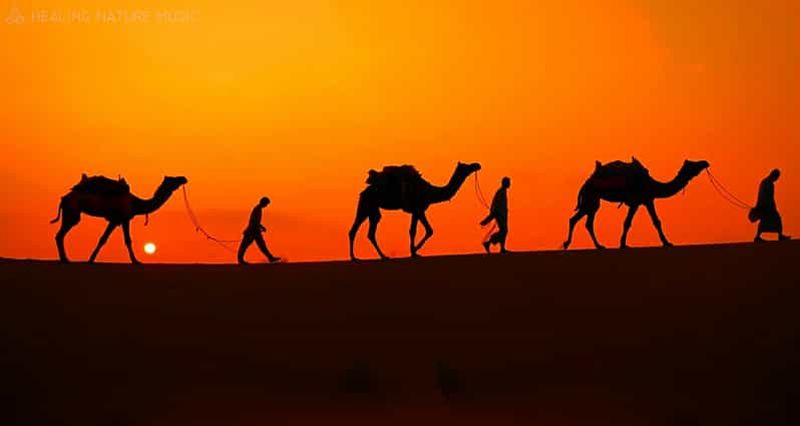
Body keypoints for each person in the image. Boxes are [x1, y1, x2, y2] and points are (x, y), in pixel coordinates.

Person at [237, 197, 281, 264]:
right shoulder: (257, 209)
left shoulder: (258, 209)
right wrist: (261, 227)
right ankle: (240, 260)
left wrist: (261, 227)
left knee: (262, 245)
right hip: (252, 231)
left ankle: (270, 258)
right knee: (245, 245)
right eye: (266, 204)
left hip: (255, 230)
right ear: (263, 203)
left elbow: (255, 221)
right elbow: (253, 221)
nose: (266, 205)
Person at [751, 169, 790, 242]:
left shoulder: (764, 181)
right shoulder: (769, 183)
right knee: (777, 220)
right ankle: (780, 235)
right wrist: (772, 206)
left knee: (764, 222)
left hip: (763, 205)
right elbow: (769, 196)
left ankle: (758, 237)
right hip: (767, 206)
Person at [480, 176, 511, 253]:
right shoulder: (500, 192)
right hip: (499, 214)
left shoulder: (502, 192)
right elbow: (496, 204)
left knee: (504, 231)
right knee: (504, 231)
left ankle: (500, 247)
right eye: (508, 182)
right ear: (505, 183)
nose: (510, 184)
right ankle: (490, 243)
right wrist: (492, 215)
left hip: (502, 214)